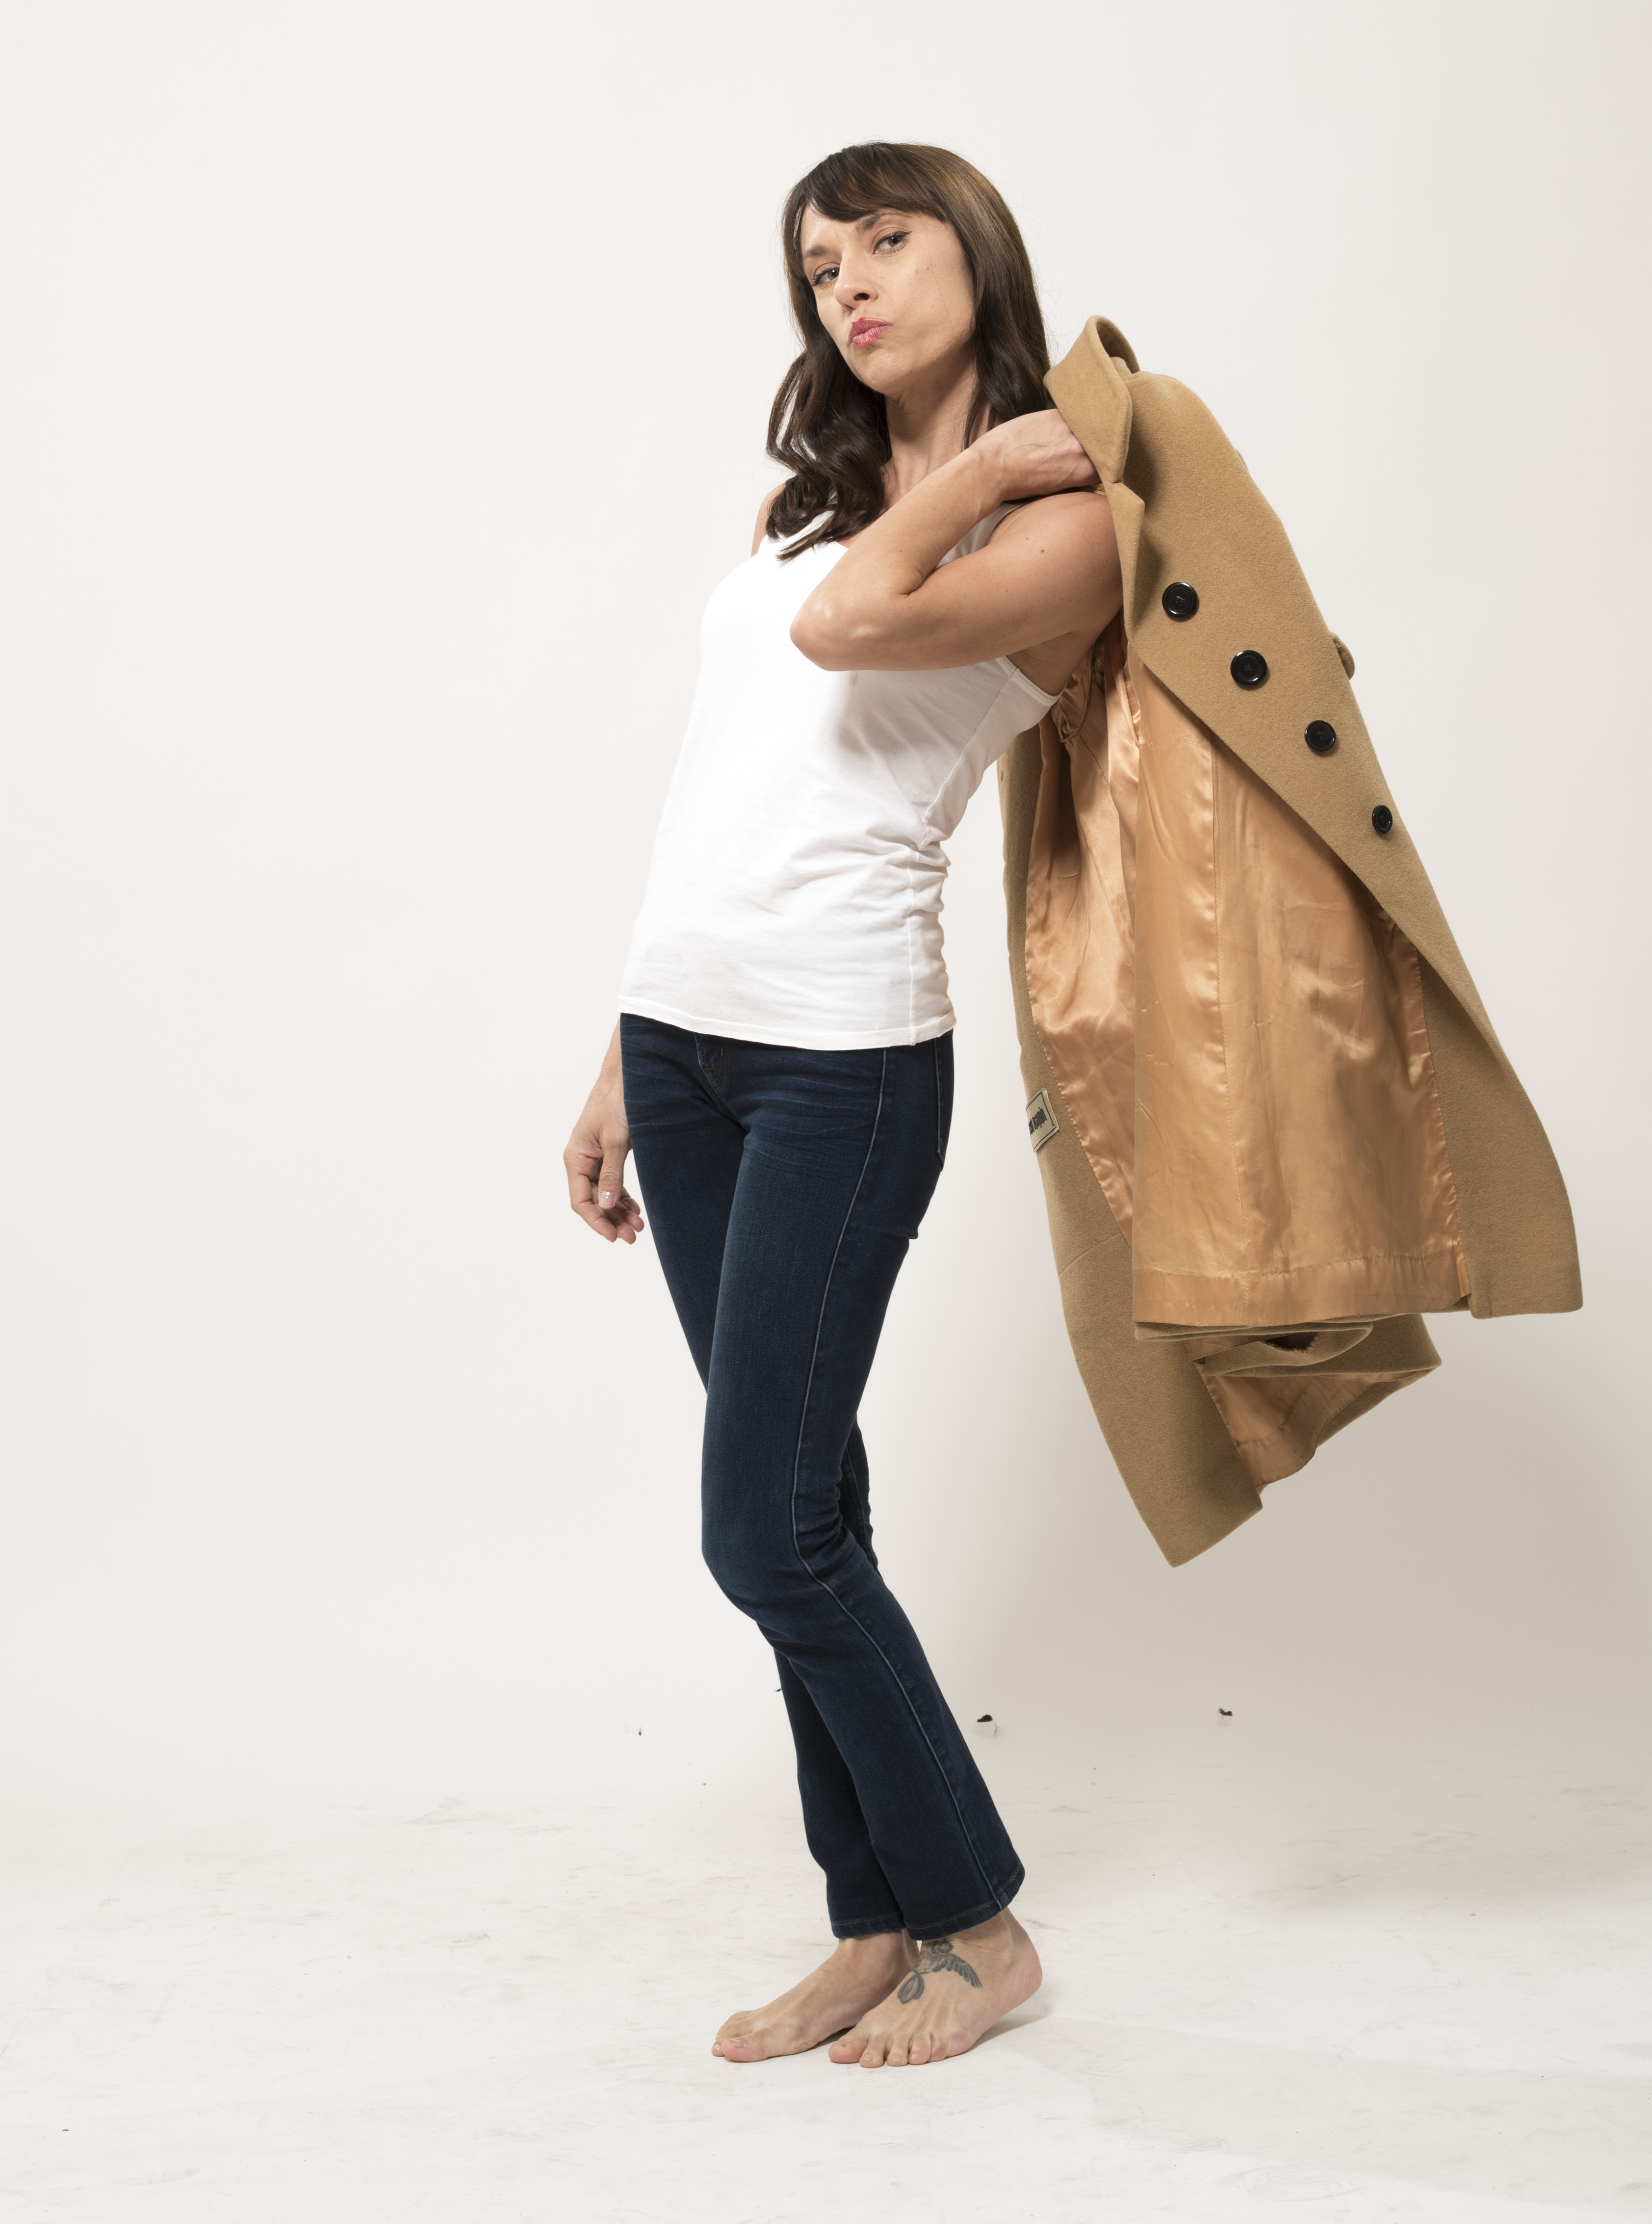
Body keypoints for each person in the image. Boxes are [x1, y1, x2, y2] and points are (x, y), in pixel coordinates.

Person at [564, 142, 1121, 2068]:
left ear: (978, 250)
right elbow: (730, 770)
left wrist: (971, 470)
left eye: (886, 240)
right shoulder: (802, 503)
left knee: (767, 1535)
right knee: (814, 1508)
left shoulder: (1061, 517)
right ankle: (874, 1922)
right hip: (689, 1041)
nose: (850, 286)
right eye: (818, 267)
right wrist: (621, 1048)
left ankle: (980, 1923)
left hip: (842, 1059)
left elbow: (848, 635)